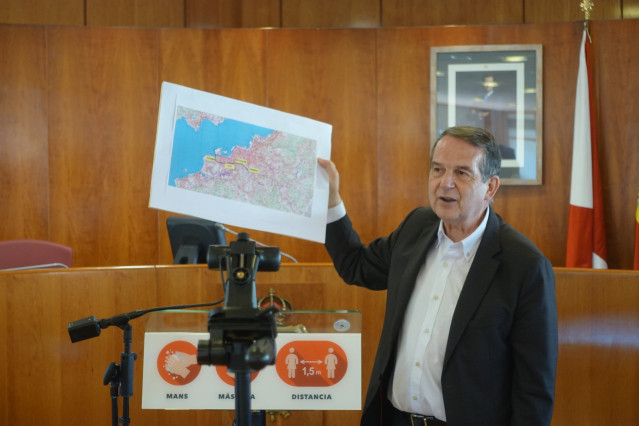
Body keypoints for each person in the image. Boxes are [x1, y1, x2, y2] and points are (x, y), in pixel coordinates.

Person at [317, 126, 557, 426]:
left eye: (462, 173)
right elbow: (356, 265)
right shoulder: (416, 227)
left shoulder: (525, 266)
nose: (445, 183)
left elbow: (533, 390)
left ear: (491, 187)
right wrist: (330, 202)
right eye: (438, 169)